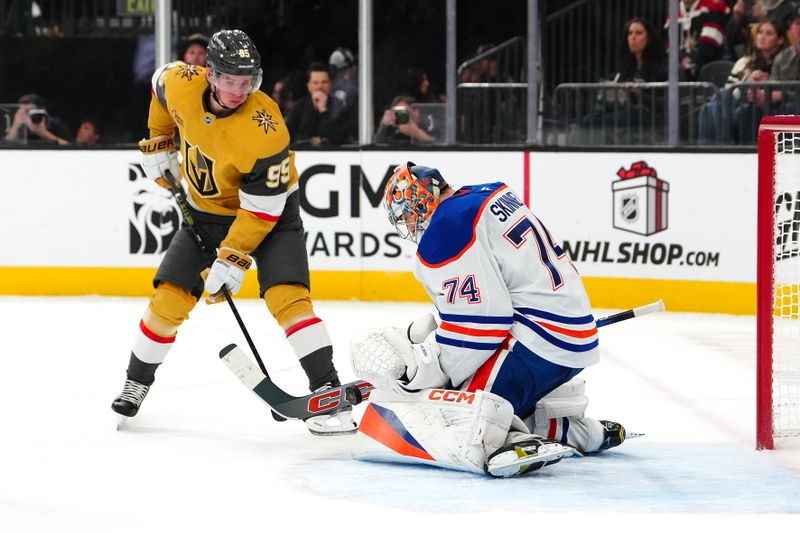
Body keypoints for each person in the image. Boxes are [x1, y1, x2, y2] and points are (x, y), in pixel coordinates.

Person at [110, 29, 356, 436]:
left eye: (248, 81)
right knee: (168, 301)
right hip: (206, 213)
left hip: (271, 216)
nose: (239, 90)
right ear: (209, 74)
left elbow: (262, 209)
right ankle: (136, 383)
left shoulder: (265, 127)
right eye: (229, 80)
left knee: (287, 297)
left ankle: (327, 389)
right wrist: (158, 141)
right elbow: (159, 88)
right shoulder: (181, 81)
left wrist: (233, 256)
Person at [349, 163, 627, 477]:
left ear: (421, 199)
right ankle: (571, 430)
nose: (410, 224)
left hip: (537, 343)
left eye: (408, 214)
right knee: (488, 400)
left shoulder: (447, 225)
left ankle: (512, 441)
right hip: (572, 335)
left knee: (459, 417)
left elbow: (484, 324)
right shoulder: (486, 194)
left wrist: (433, 369)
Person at [285, 62, 354, 145]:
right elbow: (287, 136)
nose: (320, 86)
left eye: (324, 82)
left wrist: (323, 110)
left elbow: (339, 138)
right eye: (315, 83)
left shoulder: (340, 107)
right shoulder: (298, 108)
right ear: (308, 86)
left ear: (330, 85)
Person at [668, 0, 730, 80]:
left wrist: (694, 63)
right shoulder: (674, 12)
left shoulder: (712, 6)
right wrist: (682, 59)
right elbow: (669, 45)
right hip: (681, 69)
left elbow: (709, 43)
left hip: (708, 68)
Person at [3, 93, 71, 145]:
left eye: (30, 111)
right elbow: (5, 148)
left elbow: (70, 147)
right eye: (23, 112)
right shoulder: (14, 124)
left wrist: (43, 133)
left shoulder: (55, 124)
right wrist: (15, 126)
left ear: (42, 111)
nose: (27, 116)